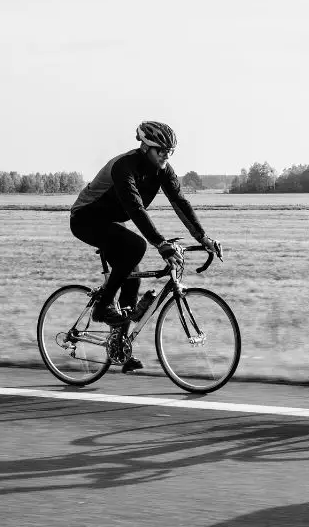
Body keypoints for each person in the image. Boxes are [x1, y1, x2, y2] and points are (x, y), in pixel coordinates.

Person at [69, 121, 222, 372]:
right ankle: (102, 307)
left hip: (108, 221)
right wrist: (160, 244)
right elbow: (135, 208)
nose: (166, 155)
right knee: (136, 246)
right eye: (160, 150)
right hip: (85, 218)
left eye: (169, 151)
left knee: (132, 278)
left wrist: (203, 238)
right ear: (145, 147)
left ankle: (119, 346)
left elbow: (180, 203)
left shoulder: (163, 170)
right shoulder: (124, 166)